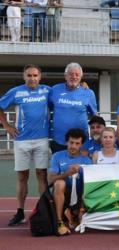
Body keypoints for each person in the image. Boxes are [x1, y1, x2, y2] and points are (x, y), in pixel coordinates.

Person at [0, 64, 50, 226]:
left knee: (42, 175)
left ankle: (43, 210)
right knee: (22, 177)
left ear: (40, 77)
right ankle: (20, 212)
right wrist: (6, 126)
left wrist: (83, 87)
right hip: (21, 141)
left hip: (42, 140)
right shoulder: (16, 92)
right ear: (24, 77)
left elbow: (67, 91)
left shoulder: (47, 90)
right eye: (29, 75)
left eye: (35, 75)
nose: (32, 78)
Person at [48, 128, 92, 236]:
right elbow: (50, 180)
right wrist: (67, 174)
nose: (73, 146)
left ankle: (78, 212)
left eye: (77, 143)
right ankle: (59, 222)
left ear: (81, 145)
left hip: (80, 196)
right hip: (63, 195)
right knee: (59, 183)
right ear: (66, 142)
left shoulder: (87, 160)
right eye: (71, 142)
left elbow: (90, 184)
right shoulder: (57, 156)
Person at [49, 62, 98, 153]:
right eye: (71, 74)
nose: (74, 77)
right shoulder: (55, 90)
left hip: (81, 142)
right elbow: (47, 109)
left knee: (81, 167)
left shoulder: (89, 93)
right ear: (65, 76)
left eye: (77, 74)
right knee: (59, 166)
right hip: (59, 140)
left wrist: (97, 135)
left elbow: (94, 116)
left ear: (81, 77)